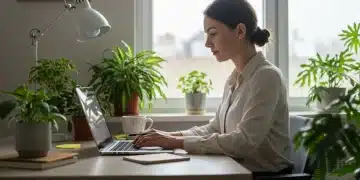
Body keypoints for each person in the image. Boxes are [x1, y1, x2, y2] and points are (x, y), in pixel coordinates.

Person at [134, 0, 293, 176]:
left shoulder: (267, 77)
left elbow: (244, 141)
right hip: (236, 171)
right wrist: (168, 136)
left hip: (265, 177)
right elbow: (215, 128)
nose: (207, 43)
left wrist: (174, 142)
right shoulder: (234, 79)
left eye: (213, 34)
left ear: (240, 31)